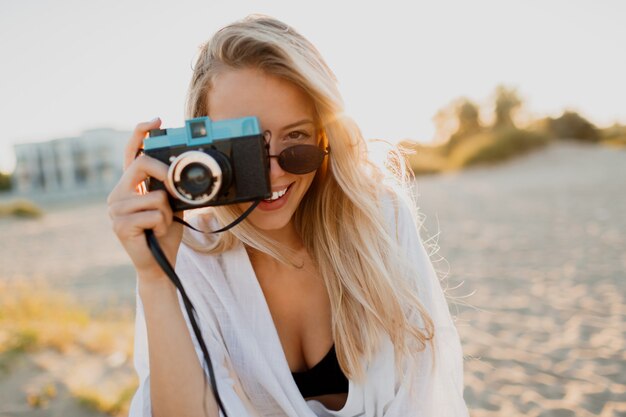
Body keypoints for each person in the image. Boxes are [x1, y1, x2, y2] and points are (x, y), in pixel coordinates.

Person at [107, 14, 469, 417]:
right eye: (246, 148)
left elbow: (427, 399)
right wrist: (156, 279)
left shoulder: (380, 221)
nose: (274, 172)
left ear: (325, 137)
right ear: (202, 142)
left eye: (296, 139)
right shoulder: (187, 254)